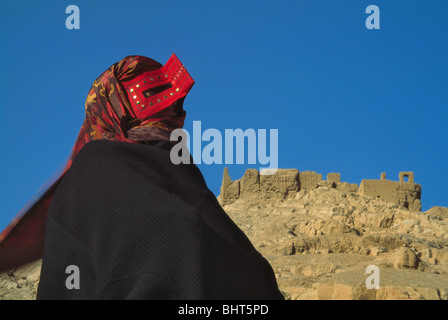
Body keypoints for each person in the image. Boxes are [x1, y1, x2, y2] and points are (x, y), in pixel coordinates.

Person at [0, 54, 284, 299]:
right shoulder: (95, 169)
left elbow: (250, 275)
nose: (179, 116)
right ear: (119, 110)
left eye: (179, 106)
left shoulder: (182, 175)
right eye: (162, 103)